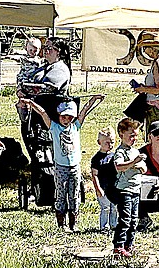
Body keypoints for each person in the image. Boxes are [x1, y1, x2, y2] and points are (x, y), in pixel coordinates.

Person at [21, 94, 104, 231]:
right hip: (60, 167)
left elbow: (84, 110)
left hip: (75, 167)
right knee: (60, 195)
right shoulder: (54, 127)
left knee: (74, 195)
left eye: (69, 117)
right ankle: (61, 224)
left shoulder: (76, 126)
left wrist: (94, 99)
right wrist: (31, 103)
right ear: (58, 115)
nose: (66, 120)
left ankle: (73, 224)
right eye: (63, 117)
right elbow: (43, 113)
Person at [112, 117, 147, 257]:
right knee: (125, 219)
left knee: (134, 220)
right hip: (124, 191)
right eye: (131, 136)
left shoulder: (135, 151)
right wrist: (133, 163)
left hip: (135, 190)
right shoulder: (121, 151)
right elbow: (119, 166)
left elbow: (144, 168)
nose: (134, 139)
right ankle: (118, 246)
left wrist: (140, 165)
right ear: (121, 134)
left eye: (136, 136)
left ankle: (129, 245)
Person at [132, 32, 159, 138]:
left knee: (157, 139)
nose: (145, 52)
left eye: (145, 48)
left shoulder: (158, 63)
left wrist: (142, 89)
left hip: (157, 109)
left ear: (151, 48)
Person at [90, 126, 118, 233]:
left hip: (113, 188)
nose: (110, 145)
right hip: (103, 188)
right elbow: (94, 175)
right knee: (105, 207)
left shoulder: (114, 156)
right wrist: (98, 188)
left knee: (114, 207)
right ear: (99, 142)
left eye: (112, 142)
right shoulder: (96, 159)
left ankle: (114, 225)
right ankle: (104, 226)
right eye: (106, 143)